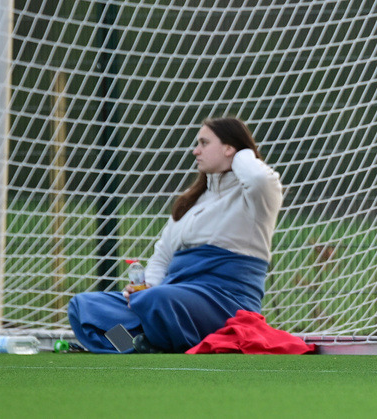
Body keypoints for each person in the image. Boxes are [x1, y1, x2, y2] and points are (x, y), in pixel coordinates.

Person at [68, 117, 282, 353]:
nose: (195, 150)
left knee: (158, 300)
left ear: (229, 148)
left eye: (204, 143)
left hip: (223, 301)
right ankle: (131, 347)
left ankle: (156, 339)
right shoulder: (191, 201)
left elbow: (258, 177)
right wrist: (146, 286)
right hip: (171, 297)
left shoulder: (256, 197)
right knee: (86, 307)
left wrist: (241, 152)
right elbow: (162, 257)